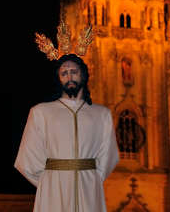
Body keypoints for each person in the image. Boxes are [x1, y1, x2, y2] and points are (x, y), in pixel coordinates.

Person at [14, 53, 119, 212]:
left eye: (74, 72)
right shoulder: (41, 112)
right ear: (58, 79)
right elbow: (26, 160)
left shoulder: (101, 114)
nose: (69, 76)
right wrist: (50, 182)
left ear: (83, 75)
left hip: (89, 189)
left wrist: (91, 179)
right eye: (64, 73)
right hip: (53, 192)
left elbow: (109, 155)